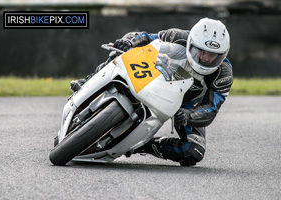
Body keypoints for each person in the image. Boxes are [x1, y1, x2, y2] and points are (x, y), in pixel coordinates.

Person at [71, 18, 233, 166]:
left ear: (223, 54)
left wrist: (189, 115)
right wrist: (129, 42)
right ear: (192, 43)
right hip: (153, 74)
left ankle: (140, 145)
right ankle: (88, 81)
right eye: (201, 51)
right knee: (121, 50)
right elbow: (144, 36)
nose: (205, 59)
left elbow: (211, 108)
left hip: (185, 106)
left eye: (213, 55)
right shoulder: (177, 36)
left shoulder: (223, 74)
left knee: (194, 151)